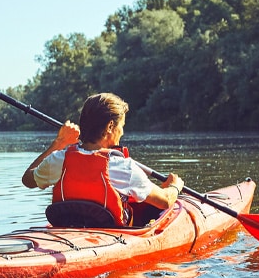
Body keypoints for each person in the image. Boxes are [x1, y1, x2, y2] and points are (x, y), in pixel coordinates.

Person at [22, 92, 184, 227]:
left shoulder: (59, 159)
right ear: (110, 127)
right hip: (111, 236)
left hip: (67, 230)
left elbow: (28, 180)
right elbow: (165, 201)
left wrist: (59, 143)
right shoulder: (123, 167)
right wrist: (175, 186)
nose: (122, 132)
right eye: (122, 126)